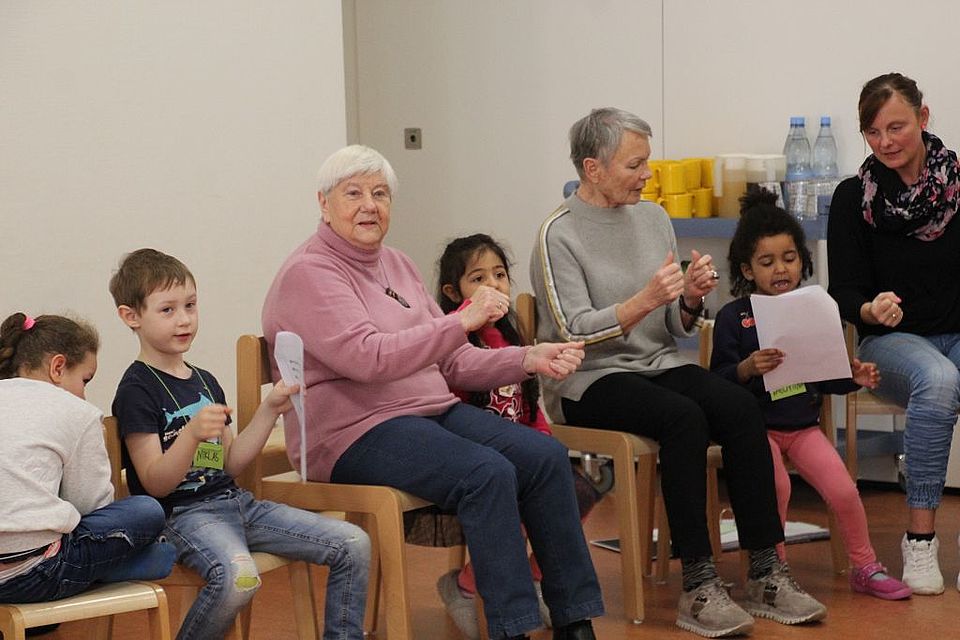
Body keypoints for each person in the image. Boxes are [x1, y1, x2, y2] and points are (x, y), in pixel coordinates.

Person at [261, 145, 603, 640]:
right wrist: (460, 321)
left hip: (426, 412)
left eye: (380, 194)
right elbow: (369, 358)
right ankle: (513, 628)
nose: (369, 205)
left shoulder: (397, 264)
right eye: (353, 194)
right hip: (351, 431)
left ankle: (576, 623)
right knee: (486, 472)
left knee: (545, 457)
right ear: (324, 204)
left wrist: (527, 358)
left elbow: (453, 361)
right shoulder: (308, 273)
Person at [530, 107, 826, 638]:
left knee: (739, 406)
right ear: (593, 169)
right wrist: (644, 300)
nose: (647, 175)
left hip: (656, 363)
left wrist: (688, 299)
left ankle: (765, 572)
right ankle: (699, 583)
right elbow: (573, 331)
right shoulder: (559, 233)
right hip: (586, 379)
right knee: (683, 418)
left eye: (646, 162)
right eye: (634, 165)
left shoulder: (652, 217)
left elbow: (672, 323)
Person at [109, 248, 371, 640]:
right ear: (131, 316)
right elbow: (155, 482)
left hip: (236, 503)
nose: (184, 319)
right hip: (182, 517)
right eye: (167, 310)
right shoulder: (136, 390)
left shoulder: (204, 380)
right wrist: (190, 435)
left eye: (190, 305)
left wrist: (269, 409)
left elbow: (228, 463)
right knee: (239, 578)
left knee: (353, 543)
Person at [710, 189, 912, 601]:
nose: (780, 269)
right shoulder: (734, 317)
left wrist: (854, 375)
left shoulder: (815, 307)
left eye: (789, 258)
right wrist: (748, 367)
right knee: (777, 487)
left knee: (844, 490)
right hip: (755, 431)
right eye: (767, 262)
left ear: (802, 260)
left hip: (802, 427)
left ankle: (865, 566)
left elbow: (826, 376)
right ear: (747, 269)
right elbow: (718, 382)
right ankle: (773, 572)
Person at [828, 72, 960, 596]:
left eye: (896, 127)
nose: (884, 142)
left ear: (923, 118)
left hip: (955, 334)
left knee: (945, 371)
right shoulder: (852, 198)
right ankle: (919, 541)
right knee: (939, 379)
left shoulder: (958, 187)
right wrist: (869, 308)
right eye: (872, 132)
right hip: (889, 344)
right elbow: (843, 293)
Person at [435, 233, 602, 638]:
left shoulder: (512, 336)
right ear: (453, 293)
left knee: (577, 491)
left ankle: (538, 580)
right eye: (478, 279)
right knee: (509, 498)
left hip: (524, 455)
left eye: (499, 275)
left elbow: (530, 407)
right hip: (482, 458)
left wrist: (546, 445)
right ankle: (466, 584)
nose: (493, 286)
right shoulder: (451, 342)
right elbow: (452, 415)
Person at [0, 312, 175, 606]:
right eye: (85, 380)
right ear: (57, 367)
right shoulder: (78, 412)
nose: (83, 394)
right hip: (33, 576)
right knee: (148, 513)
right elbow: (92, 506)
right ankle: (140, 561)